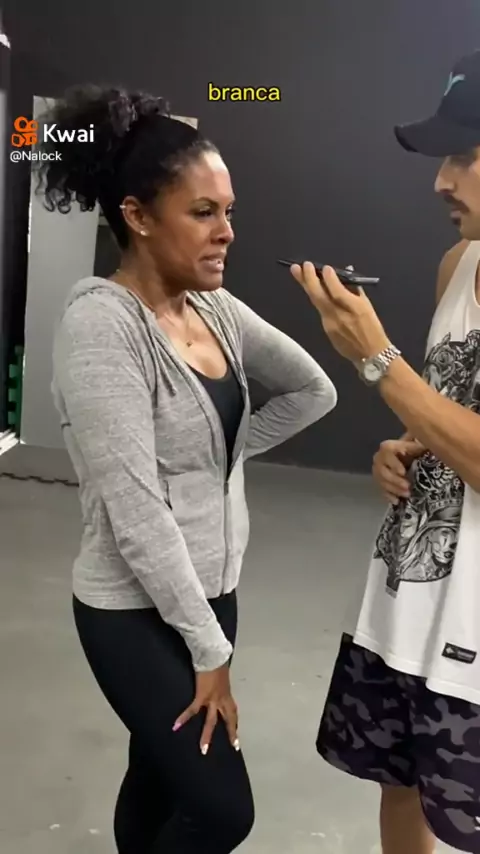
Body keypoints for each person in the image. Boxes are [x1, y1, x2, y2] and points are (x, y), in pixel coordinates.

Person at [37, 84, 337, 854]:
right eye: (203, 212)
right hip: (131, 611)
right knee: (221, 810)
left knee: (157, 774)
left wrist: (213, 462)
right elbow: (137, 515)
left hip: (213, 589)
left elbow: (314, 390)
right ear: (137, 216)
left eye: (228, 210)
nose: (227, 231)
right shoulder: (101, 328)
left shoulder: (214, 309)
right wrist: (211, 653)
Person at [292, 48, 480, 854]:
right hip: (411, 594)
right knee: (400, 785)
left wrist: (379, 362)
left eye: (465, 155)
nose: (442, 180)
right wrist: (403, 450)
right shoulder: (458, 266)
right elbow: (447, 415)